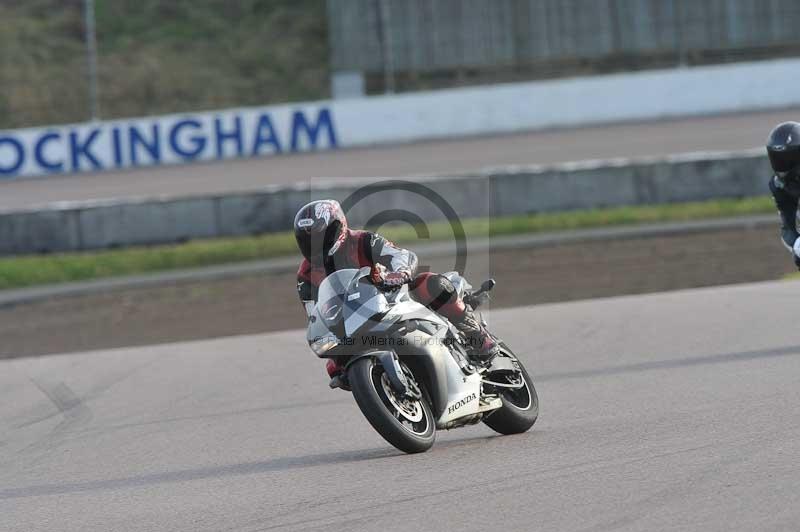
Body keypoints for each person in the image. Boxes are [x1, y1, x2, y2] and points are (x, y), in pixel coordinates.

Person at [294, 199, 498, 387]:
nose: (314, 245)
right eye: (306, 240)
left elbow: (400, 255)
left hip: (391, 297)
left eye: (321, 236)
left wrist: (400, 273)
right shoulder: (305, 275)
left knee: (429, 283)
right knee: (333, 366)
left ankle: (478, 336)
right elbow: (316, 315)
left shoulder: (363, 240)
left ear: (338, 227)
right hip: (354, 321)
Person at [767, 121, 800, 269]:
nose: (782, 165)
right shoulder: (778, 185)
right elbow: (788, 228)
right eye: (778, 159)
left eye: (788, 159)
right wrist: (796, 249)